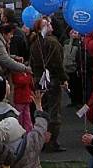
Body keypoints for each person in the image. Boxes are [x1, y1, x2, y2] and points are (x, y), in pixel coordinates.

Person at [28, 16, 67, 152]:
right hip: (52, 80)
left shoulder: (34, 43)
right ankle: (51, 142)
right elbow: (58, 64)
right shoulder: (52, 43)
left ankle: (41, 138)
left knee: (41, 108)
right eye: (47, 24)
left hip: (38, 80)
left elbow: (32, 63)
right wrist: (64, 79)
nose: (50, 25)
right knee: (54, 111)